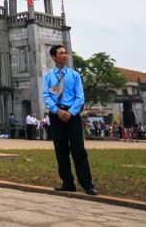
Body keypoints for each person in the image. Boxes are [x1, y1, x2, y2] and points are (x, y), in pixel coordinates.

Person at [42, 44, 98, 196]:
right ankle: (68, 182)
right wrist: (57, 110)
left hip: (72, 115)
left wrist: (71, 112)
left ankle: (87, 183)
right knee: (61, 150)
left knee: (78, 150)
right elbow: (46, 96)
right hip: (56, 114)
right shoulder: (48, 76)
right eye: (61, 53)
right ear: (54, 57)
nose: (65, 55)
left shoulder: (74, 75)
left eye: (66, 53)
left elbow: (80, 97)